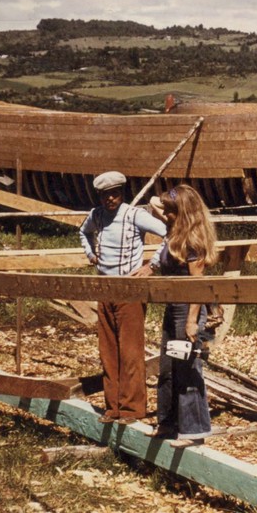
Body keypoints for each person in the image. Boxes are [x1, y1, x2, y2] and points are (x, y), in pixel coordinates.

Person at [79, 171, 167, 425]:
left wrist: (152, 266)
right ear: (100, 195)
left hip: (129, 288)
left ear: (122, 192)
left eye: (115, 193)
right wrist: (90, 254)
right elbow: (83, 233)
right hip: (105, 288)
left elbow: (170, 234)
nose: (110, 199)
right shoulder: (96, 215)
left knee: (129, 350)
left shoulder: (134, 215)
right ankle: (113, 407)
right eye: (106, 195)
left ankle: (131, 409)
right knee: (108, 350)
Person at [135, 184, 218, 444]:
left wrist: (193, 321)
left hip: (188, 308)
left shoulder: (193, 241)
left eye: (171, 213)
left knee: (188, 369)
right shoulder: (174, 232)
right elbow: (154, 202)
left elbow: (198, 285)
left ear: (183, 213)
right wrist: (171, 200)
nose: (165, 216)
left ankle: (193, 431)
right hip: (172, 308)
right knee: (168, 367)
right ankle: (168, 423)